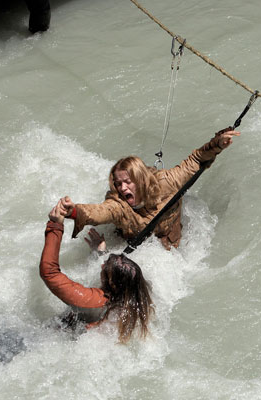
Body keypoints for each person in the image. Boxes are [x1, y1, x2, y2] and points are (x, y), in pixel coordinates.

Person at [59, 128, 240, 250]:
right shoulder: (119, 204)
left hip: (170, 239)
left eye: (127, 182)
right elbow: (101, 211)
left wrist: (217, 143)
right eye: (118, 183)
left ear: (140, 180)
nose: (122, 188)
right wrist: (74, 211)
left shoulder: (167, 182)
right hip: (134, 244)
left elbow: (195, 161)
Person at [40, 200, 154, 343]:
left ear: (111, 282)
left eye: (104, 266)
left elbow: (49, 272)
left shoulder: (95, 301)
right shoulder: (138, 297)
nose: (101, 266)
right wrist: (101, 252)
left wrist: (55, 226)